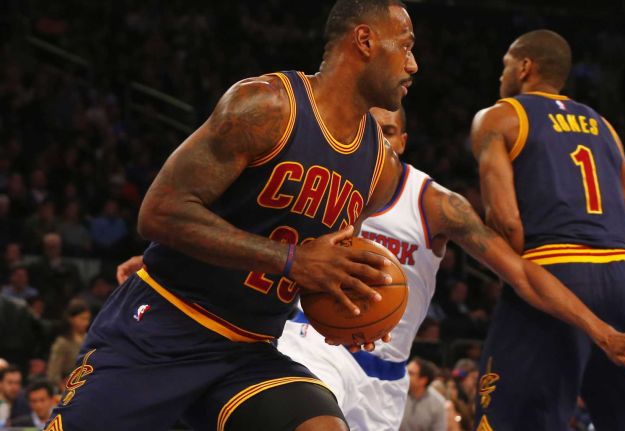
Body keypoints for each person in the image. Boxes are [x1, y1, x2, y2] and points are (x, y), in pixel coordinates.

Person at [119, 103, 625, 430]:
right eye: (367, 128)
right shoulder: (322, 182)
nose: (375, 140)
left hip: (385, 376)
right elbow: (251, 233)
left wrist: (602, 330)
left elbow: (523, 274)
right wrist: (159, 265)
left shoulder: (436, 204)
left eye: (387, 131)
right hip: (310, 343)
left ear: (402, 139)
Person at [47, 1, 418, 430]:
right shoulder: (266, 106)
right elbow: (160, 212)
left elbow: (324, 264)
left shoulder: (381, 169)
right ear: (365, 41)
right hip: (163, 327)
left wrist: (352, 304)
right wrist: (292, 259)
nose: (413, 64)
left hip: (249, 351)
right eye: (406, 46)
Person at [471, 29, 625, 430]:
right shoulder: (605, 127)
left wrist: (525, 271)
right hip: (623, 277)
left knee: (508, 416)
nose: (500, 74)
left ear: (524, 67)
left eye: (505, 64)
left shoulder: (501, 116)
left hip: (552, 271)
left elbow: (506, 222)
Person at [45, 300, 91, 387]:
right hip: (69, 387)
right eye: (82, 319)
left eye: (87, 319)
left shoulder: (89, 338)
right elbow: (53, 374)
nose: (86, 323)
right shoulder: (62, 343)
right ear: (71, 319)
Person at [399, 357, 446, 431]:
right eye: (405, 371)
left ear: (423, 380)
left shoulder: (438, 403)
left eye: (410, 373)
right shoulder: (397, 394)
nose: (405, 376)